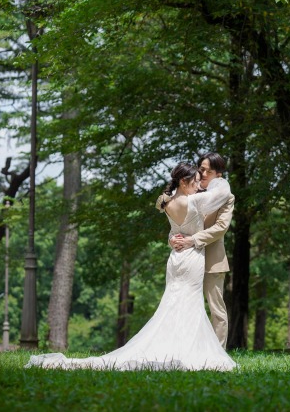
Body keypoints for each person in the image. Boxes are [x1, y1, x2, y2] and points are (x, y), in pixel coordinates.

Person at [25, 162, 235, 371]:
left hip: (175, 259)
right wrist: (219, 178)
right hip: (191, 258)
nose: (199, 185)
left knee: (172, 303)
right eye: (195, 181)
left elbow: (175, 227)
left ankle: (174, 347)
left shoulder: (166, 203)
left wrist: (172, 236)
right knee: (190, 304)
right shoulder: (196, 202)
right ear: (183, 181)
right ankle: (189, 351)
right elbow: (223, 193)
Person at [165, 152, 234, 349]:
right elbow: (177, 224)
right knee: (184, 306)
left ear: (218, 175)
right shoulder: (190, 192)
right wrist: (172, 239)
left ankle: (217, 352)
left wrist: (192, 240)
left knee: (216, 309)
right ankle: (185, 349)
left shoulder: (225, 197)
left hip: (212, 259)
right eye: (201, 169)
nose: (202, 173)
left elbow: (221, 227)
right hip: (188, 261)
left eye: (208, 171)